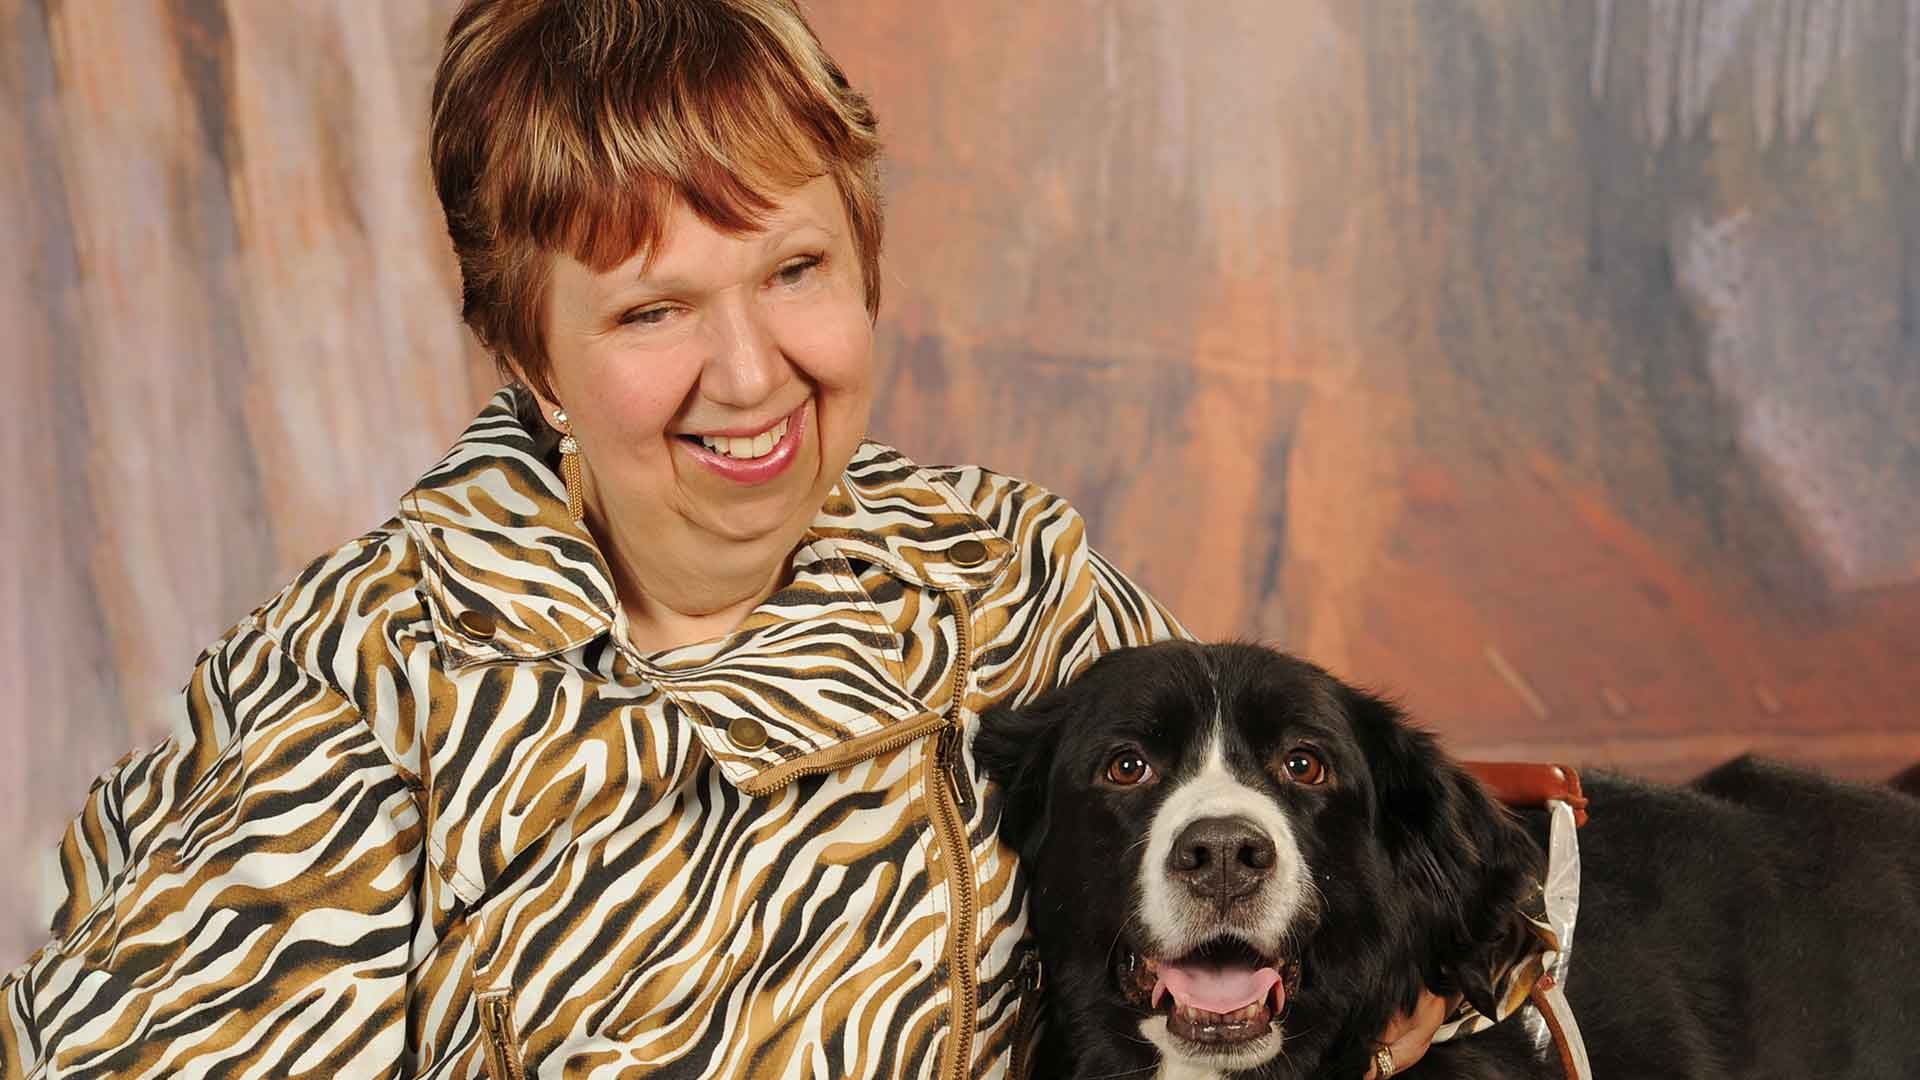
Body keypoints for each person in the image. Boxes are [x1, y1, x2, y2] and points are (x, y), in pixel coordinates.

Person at [0, 1, 1448, 1075]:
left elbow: (1301, 955)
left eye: (795, 269)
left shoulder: (1007, 576)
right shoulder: (371, 690)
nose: (751, 373)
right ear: (534, 352)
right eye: (651, 308)